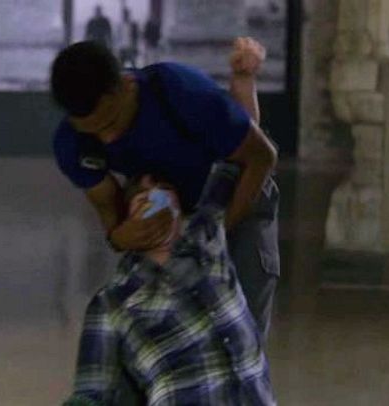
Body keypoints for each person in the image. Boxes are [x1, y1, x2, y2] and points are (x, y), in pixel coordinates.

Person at [50, 38, 278, 342]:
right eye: (94, 131)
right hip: (173, 213)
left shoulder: (180, 91)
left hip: (239, 194)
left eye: (112, 122)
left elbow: (260, 157)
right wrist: (125, 235)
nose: (107, 138)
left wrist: (215, 231)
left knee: (243, 328)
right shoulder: (72, 144)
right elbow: (110, 217)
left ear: (126, 86)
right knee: (169, 331)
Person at [64, 162, 276, 405]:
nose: (155, 200)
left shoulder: (208, 240)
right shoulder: (112, 302)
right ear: (127, 222)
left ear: (179, 209)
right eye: (141, 198)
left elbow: (236, 162)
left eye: (164, 191)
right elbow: (92, 392)